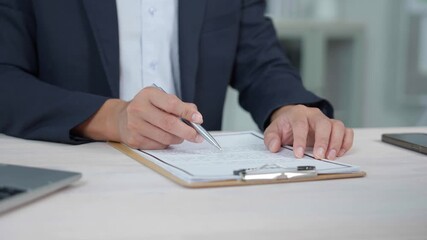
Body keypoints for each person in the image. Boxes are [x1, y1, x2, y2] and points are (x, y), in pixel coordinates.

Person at [0, 0, 353, 160]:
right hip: (74, 178)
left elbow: (260, 60)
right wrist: (111, 118)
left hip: (197, 186)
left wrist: (289, 108)